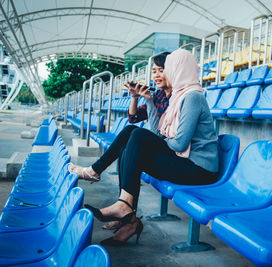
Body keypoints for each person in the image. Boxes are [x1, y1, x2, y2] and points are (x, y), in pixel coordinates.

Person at [85, 49, 219, 247]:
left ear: (180, 69)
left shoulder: (193, 97)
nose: (163, 74)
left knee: (136, 135)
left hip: (199, 169)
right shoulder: (178, 97)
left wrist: (153, 142)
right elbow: (160, 134)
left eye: (168, 68)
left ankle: (121, 204)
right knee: (130, 143)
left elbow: (179, 143)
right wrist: (148, 112)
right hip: (183, 159)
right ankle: (128, 218)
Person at [68, 52, 171, 229]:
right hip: (157, 144)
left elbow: (157, 132)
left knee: (133, 136)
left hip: (169, 149)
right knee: (126, 148)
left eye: (161, 71)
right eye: (154, 71)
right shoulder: (159, 95)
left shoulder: (178, 97)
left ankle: (96, 173)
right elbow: (134, 117)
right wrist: (135, 97)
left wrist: (149, 101)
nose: (156, 75)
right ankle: (126, 214)